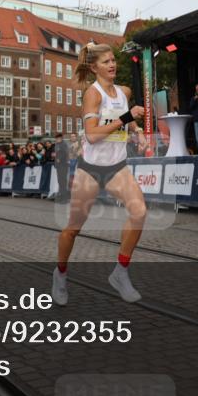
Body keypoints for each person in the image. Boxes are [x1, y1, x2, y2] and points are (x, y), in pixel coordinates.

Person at [53, 43, 146, 305]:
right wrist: (127, 118)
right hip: (91, 170)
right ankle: (60, 274)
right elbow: (92, 136)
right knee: (72, 230)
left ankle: (121, 272)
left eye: (113, 59)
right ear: (94, 67)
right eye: (106, 62)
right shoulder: (92, 95)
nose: (112, 65)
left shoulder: (123, 91)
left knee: (139, 212)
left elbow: (126, 115)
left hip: (117, 166)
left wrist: (137, 130)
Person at [54, 132, 70, 202]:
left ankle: (65, 198)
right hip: (58, 165)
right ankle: (61, 196)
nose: (57, 139)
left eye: (58, 138)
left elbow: (65, 153)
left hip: (63, 164)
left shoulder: (64, 144)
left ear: (61, 138)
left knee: (63, 181)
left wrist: (59, 159)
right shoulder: (57, 144)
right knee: (60, 181)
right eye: (56, 138)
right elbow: (57, 153)